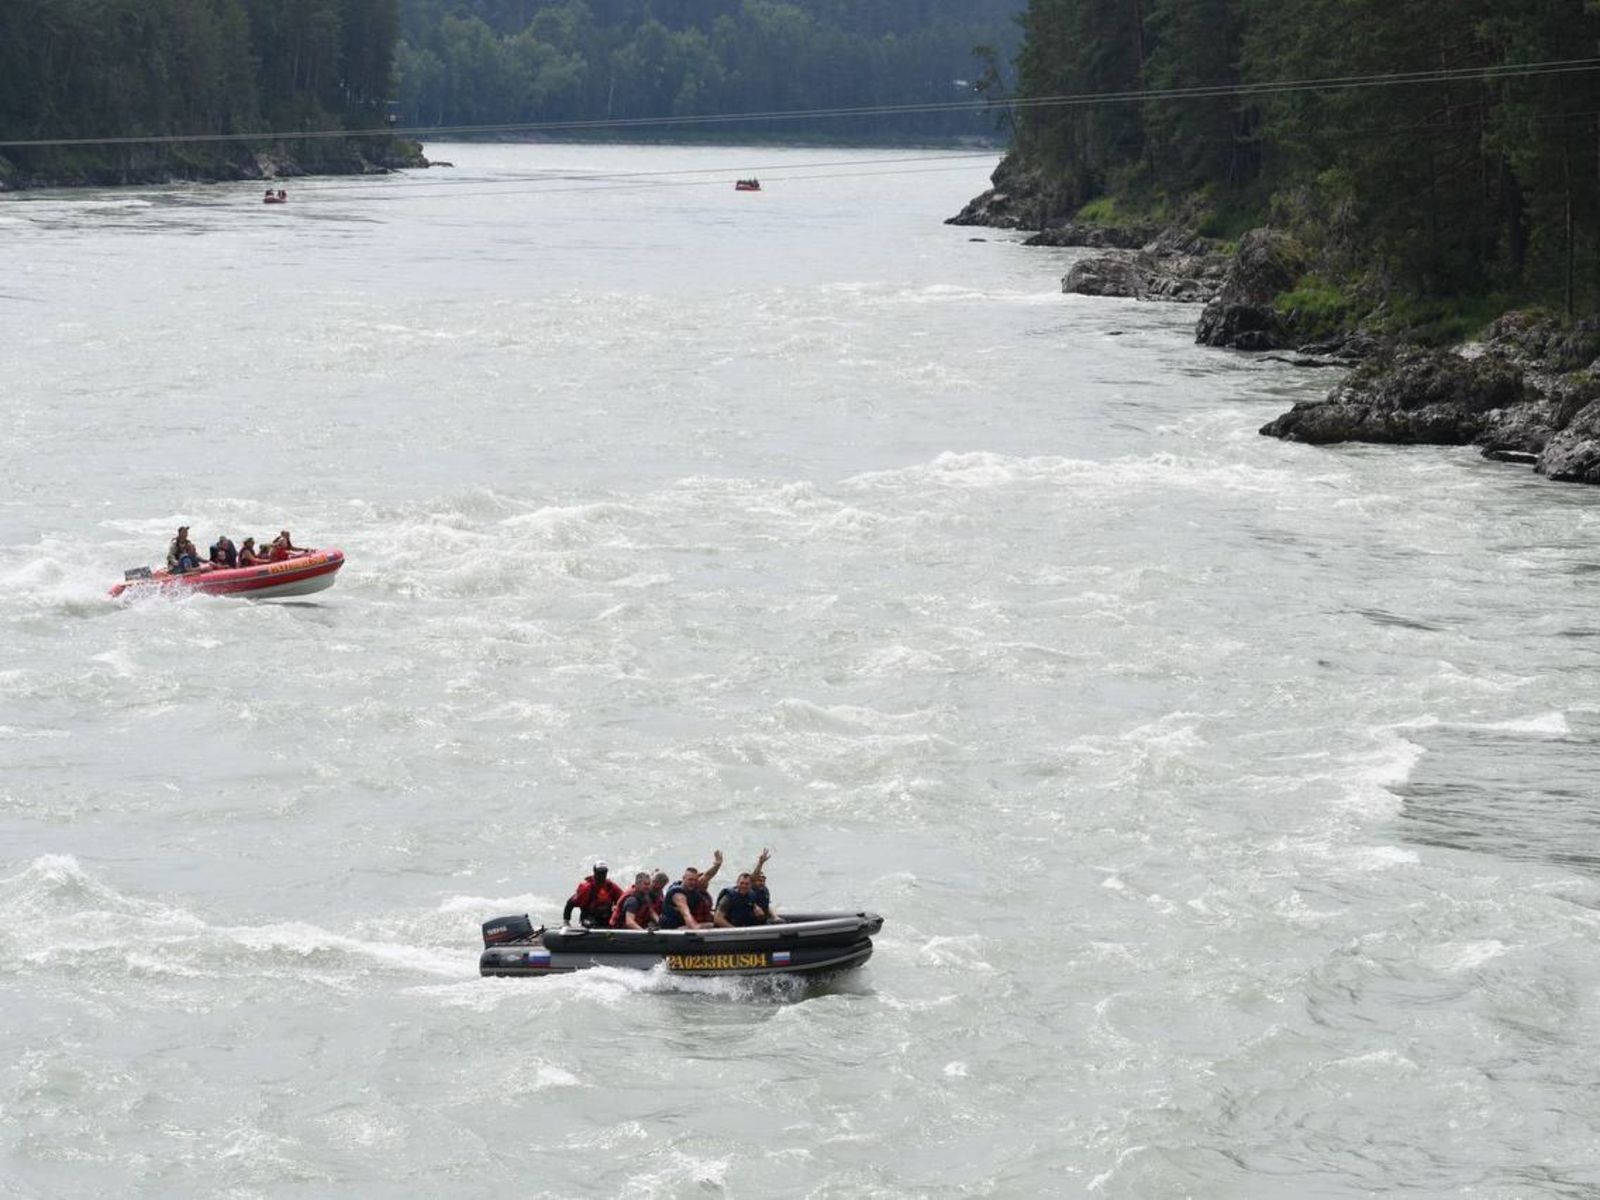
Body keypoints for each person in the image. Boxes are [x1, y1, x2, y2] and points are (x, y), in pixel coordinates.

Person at [658, 850, 724, 930]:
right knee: (711, 926)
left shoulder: (693, 886)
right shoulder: (678, 895)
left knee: (715, 925)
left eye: (695, 880)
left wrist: (717, 865)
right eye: (690, 880)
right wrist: (695, 927)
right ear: (683, 879)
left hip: (684, 924)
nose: (693, 882)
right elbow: (686, 913)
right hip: (672, 928)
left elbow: (707, 876)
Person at [562, 860, 623, 927]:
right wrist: (566, 922)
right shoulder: (586, 888)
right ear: (595, 872)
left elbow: (623, 899)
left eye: (604, 872)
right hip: (589, 917)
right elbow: (570, 903)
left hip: (606, 916)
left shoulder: (611, 886)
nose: (602, 875)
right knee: (592, 925)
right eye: (600, 872)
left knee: (619, 922)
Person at [750, 848, 778, 923]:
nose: (762, 883)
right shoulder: (749, 889)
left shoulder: (764, 890)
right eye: (759, 880)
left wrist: (775, 917)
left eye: (763, 881)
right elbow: (752, 878)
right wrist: (760, 863)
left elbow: (766, 906)